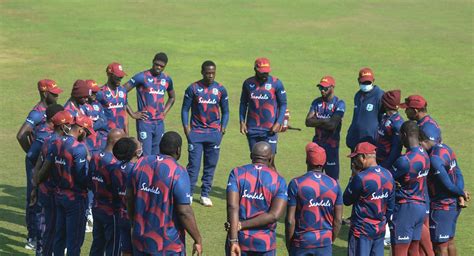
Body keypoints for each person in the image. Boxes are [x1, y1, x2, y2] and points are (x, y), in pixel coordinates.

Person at [127, 131, 203, 255]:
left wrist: (132, 222)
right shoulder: (178, 172)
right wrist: (197, 239)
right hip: (167, 246)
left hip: (140, 240)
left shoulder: (140, 163)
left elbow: (129, 197)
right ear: (178, 150)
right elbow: (184, 212)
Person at [36, 115, 94, 256]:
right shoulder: (79, 148)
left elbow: (46, 167)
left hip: (58, 195)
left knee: (59, 237)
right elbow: (81, 177)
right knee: (74, 242)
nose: (87, 137)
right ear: (81, 130)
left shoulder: (55, 142)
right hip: (75, 198)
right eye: (87, 133)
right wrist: (94, 181)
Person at [17, 79, 63, 250]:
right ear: (45, 93)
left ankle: (43, 235)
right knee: (34, 198)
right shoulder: (37, 113)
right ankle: (32, 236)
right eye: (54, 93)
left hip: (46, 160)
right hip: (36, 162)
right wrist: (32, 154)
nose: (57, 96)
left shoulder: (54, 111)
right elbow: (21, 135)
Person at [181, 60, 229, 206]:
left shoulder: (220, 89)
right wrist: (186, 129)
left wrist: (223, 128)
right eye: (207, 73)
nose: (210, 76)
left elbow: (226, 111)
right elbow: (185, 109)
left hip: (214, 133)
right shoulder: (193, 88)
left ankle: (205, 194)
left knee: (210, 165)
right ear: (202, 72)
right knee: (193, 165)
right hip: (196, 133)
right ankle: (188, 193)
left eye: (213, 73)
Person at [226, 142, 287, 256]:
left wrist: (234, 238)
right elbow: (274, 215)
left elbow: (232, 207)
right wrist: (241, 224)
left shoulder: (237, 173)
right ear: (271, 158)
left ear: (251, 156)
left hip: (239, 240)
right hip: (264, 244)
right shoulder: (279, 180)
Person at [285, 142, 343, 256]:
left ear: (307, 160)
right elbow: (338, 220)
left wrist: (289, 244)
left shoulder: (296, 183)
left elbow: (290, 220)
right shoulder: (335, 184)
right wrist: (330, 240)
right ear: (324, 163)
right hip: (324, 242)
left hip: (302, 242)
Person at [420, 132, 468, 256]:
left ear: (421, 141)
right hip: (453, 204)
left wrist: (461, 192)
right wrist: (460, 193)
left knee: (439, 247)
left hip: (442, 206)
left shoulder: (434, 159)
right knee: (449, 242)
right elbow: (458, 172)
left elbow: (447, 184)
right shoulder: (445, 148)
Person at [343, 142, 394, 256]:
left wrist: (353, 177)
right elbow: (390, 206)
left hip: (361, 232)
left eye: (356, 157)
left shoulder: (361, 178)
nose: (354, 161)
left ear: (364, 157)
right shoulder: (388, 175)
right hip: (379, 230)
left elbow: (346, 200)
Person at [388, 121, 430, 255]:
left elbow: (386, 180)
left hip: (405, 209)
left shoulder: (405, 160)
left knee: (399, 252)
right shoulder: (425, 155)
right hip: (420, 208)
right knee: (413, 251)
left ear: (404, 135)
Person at [27, 104, 64, 255]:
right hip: (46, 186)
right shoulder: (45, 136)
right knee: (45, 222)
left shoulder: (51, 135)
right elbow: (31, 156)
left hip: (51, 187)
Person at [124, 52, 176, 155]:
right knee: (145, 155)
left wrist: (164, 112)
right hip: (145, 123)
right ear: (153, 62)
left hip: (159, 123)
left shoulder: (167, 79)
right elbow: (122, 92)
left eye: (162, 66)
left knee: (157, 155)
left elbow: (172, 97)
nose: (158, 68)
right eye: (157, 64)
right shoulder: (141, 77)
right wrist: (133, 114)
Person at [89, 128, 126, 256]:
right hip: (112, 212)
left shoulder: (95, 156)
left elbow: (89, 180)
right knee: (113, 248)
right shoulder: (115, 164)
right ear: (117, 142)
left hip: (96, 206)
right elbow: (119, 191)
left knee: (97, 245)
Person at [239, 57, 287, 155]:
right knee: (256, 159)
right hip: (252, 129)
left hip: (270, 129)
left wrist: (278, 123)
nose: (265, 74)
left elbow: (283, 104)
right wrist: (242, 121)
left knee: (269, 161)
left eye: (267, 72)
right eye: (262, 72)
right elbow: (243, 103)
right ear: (255, 70)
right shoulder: (248, 83)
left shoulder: (276, 83)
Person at [305, 75, 345, 180]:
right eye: (320, 88)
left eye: (325, 88)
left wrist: (317, 120)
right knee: (313, 178)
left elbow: (332, 125)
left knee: (333, 180)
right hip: (317, 146)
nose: (322, 91)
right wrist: (325, 121)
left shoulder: (339, 103)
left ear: (332, 87)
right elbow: (308, 121)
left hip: (332, 147)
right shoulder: (316, 102)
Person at [112, 137, 143, 256]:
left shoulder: (116, 168)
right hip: (135, 217)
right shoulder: (137, 170)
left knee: (126, 250)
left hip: (121, 214)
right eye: (138, 144)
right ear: (135, 152)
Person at [96, 62, 146, 135]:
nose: (120, 79)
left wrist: (127, 134)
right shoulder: (100, 93)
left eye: (121, 77)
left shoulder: (123, 91)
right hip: (105, 135)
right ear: (109, 74)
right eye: (117, 77)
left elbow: (124, 113)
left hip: (120, 135)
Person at [346, 68, 384, 151]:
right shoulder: (357, 95)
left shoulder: (380, 96)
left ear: (373, 80)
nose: (366, 84)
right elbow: (355, 118)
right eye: (363, 82)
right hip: (356, 142)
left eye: (368, 82)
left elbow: (383, 121)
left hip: (371, 144)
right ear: (358, 81)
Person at [376, 90, 404, 169]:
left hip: (386, 163)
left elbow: (396, 149)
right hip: (378, 159)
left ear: (385, 105)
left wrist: (386, 166)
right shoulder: (385, 117)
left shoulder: (397, 124)